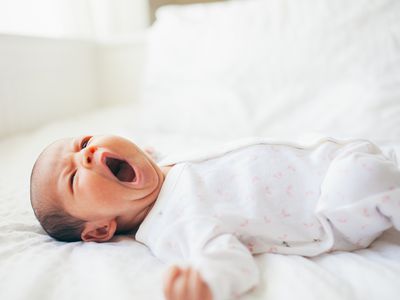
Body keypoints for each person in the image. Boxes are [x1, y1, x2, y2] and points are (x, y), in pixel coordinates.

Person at [30, 135, 400, 300]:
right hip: (334, 205)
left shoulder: (164, 164)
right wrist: (207, 284)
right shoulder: (172, 222)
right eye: (75, 177)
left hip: (334, 157)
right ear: (99, 230)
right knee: (370, 178)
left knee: (379, 167)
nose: (89, 154)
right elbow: (223, 258)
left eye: (82, 143)